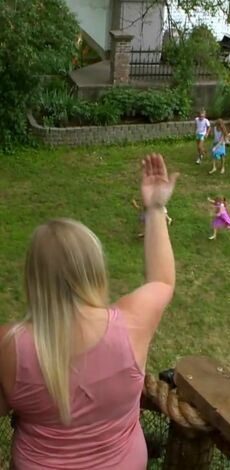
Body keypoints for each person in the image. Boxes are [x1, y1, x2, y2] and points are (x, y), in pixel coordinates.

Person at [0, 153, 178, 470]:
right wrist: (155, 207)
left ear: (33, 279)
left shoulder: (11, 345)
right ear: (95, 270)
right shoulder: (132, 324)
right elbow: (163, 280)